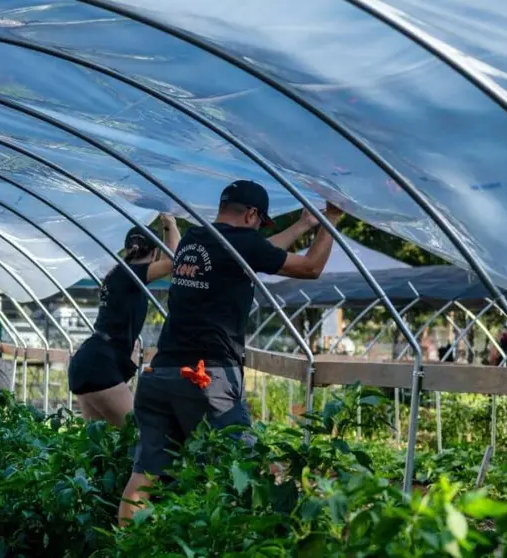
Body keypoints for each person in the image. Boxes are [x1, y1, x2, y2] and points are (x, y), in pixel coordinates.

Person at [119, 180, 341, 524]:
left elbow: (255, 253)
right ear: (252, 214)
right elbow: (310, 267)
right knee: (249, 469)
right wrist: (332, 222)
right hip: (206, 378)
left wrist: (302, 225)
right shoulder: (240, 244)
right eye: (259, 221)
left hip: (160, 374)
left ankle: (125, 545)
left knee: (145, 475)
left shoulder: (196, 239)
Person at [68, 213, 179, 427]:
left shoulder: (120, 273)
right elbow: (173, 263)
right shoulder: (130, 274)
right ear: (155, 252)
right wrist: (170, 224)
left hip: (89, 362)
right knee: (138, 435)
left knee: (101, 445)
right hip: (100, 365)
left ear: (128, 249)